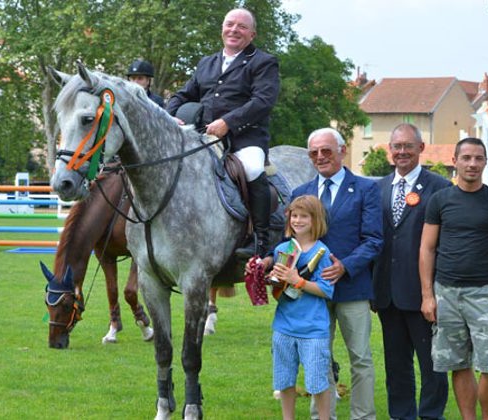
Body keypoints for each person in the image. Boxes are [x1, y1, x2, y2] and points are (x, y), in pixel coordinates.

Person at [166, 8, 280, 259]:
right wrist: (169, 113)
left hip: (246, 139)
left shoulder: (263, 62)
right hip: (205, 137)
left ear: (252, 34)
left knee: (251, 169)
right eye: (230, 24)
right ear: (222, 29)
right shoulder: (207, 63)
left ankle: (261, 240)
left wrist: (228, 122)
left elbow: (263, 101)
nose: (234, 30)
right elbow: (185, 94)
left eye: (241, 26)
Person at [293, 127, 383, 420]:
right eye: (314, 153)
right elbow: (291, 242)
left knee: (360, 358)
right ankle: (322, 415)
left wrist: (345, 266)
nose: (320, 157)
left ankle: (363, 415)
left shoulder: (367, 189)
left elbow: (374, 239)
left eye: (326, 151)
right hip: (313, 293)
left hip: (352, 288)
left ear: (342, 151)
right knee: (318, 359)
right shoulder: (300, 193)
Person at [419, 137, 488, 420]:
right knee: (458, 363)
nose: (472, 164)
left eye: (478, 158)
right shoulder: (440, 200)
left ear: (485, 162)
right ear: (455, 160)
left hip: (484, 293)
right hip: (446, 293)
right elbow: (427, 248)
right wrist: (427, 296)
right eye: (466, 158)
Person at [372, 123, 450, 420]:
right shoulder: (376, 188)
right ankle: (401, 414)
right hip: (387, 294)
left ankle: (431, 415)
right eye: (396, 146)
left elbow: (443, 244)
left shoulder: (440, 188)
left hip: (423, 293)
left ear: (421, 148)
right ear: (389, 150)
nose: (401, 151)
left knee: (432, 364)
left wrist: (433, 291)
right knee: (396, 364)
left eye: (408, 146)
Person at [269, 195, 334, 420]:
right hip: (284, 326)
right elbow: (278, 291)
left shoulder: (321, 252)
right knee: (284, 380)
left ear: (315, 220)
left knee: (317, 382)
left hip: (312, 328)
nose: (297, 220)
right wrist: (270, 278)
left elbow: (326, 290)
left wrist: (297, 280)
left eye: (303, 216)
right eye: (294, 215)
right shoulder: (282, 249)